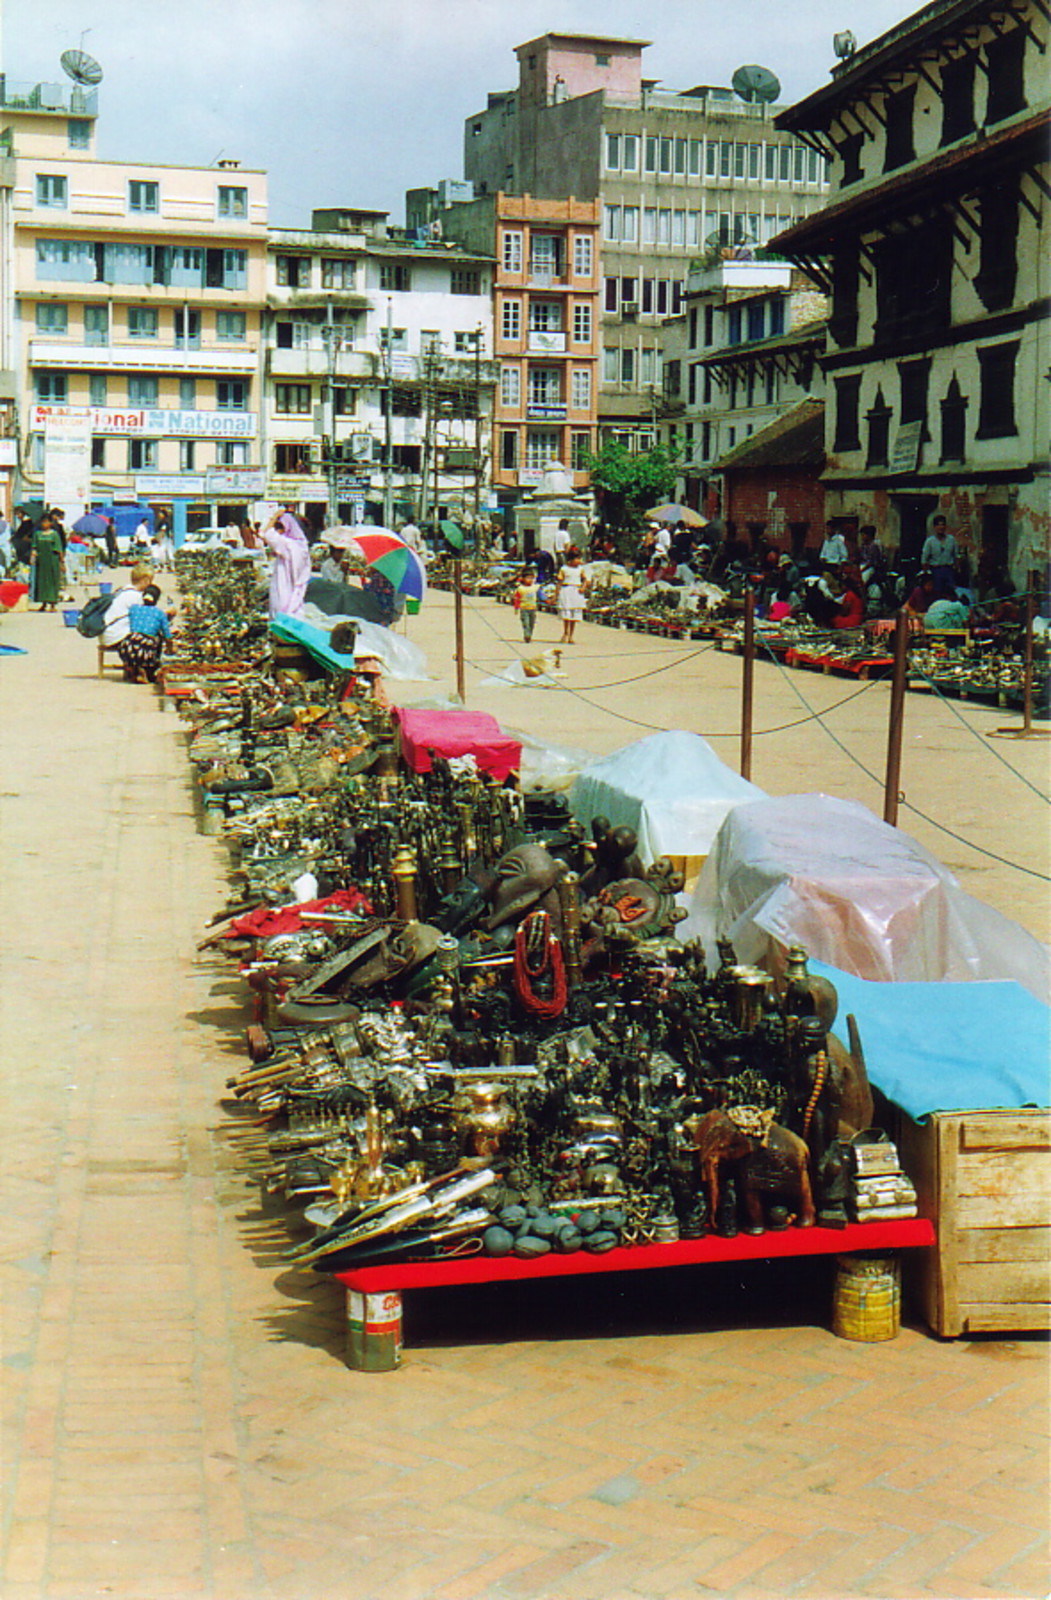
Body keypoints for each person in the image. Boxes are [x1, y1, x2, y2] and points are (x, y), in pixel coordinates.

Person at [259, 509, 311, 618]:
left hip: (283, 590)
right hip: (296, 592)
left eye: (280, 528)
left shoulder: (288, 544)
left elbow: (266, 533)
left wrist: (274, 517)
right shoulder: (302, 546)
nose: (278, 531)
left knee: (280, 616)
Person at [117, 583, 172, 683]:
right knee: (157, 638)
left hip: (128, 645)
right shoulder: (160, 613)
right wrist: (171, 648)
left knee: (138, 645)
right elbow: (167, 636)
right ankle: (146, 670)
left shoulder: (134, 608)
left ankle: (134, 669)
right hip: (145, 649)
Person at [101, 565, 154, 650]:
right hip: (117, 637)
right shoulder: (136, 596)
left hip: (107, 635)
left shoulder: (122, 590)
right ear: (145, 580)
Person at [30, 514, 64, 610]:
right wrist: (32, 558)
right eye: (43, 522)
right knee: (41, 582)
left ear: (50, 523)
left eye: (46, 522)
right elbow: (34, 547)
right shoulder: (37, 534)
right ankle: (43, 603)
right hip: (41, 562)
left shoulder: (54, 534)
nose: (44, 524)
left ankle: (52, 604)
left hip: (52, 561)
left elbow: (59, 549)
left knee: (52, 581)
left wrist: (62, 562)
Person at [921, 513, 958, 597]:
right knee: (937, 593)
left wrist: (956, 567)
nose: (941, 527)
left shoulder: (951, 539)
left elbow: (956, 555)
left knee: (951, 592)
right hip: (935, 570)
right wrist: (926, 573)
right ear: (934, 527)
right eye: (938, 525)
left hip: (948, 569)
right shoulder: (930, 541)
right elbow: (924, 558)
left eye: (942, 525)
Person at [556, 547, 588, 644]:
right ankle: (565, 633)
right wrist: (556, 593)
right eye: (577, 558)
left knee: (574, 614)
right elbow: (559, 582)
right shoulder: (564, 569)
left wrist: (583, 587)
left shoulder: (580, 569)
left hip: (576, 591)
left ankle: (571, 635)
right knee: (567, 614)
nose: (579, 561)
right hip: (566, 590)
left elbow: (585, 580)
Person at [513, 565, 539, 644]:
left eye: (532, 578)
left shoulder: (535, 587)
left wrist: (547, 600)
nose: (530, 580)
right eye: (528, 578)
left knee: (532, 623)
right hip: (524, 608)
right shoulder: (520, 588)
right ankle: (526, 635)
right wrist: (516, 608)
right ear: (523, 579)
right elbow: (517, 599)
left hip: (533, 608)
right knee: (526, 623)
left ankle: (530, 634)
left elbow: (541, 595)